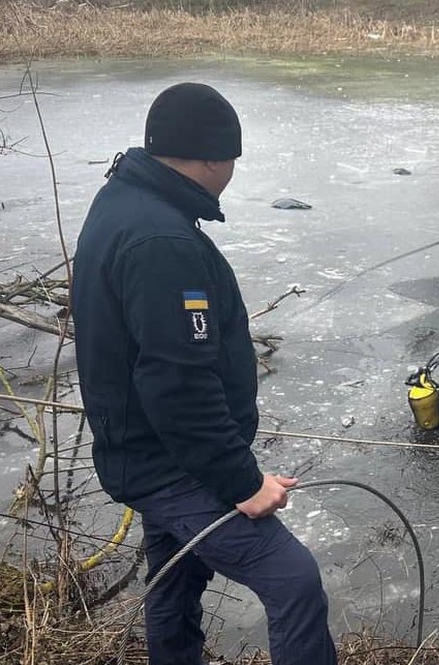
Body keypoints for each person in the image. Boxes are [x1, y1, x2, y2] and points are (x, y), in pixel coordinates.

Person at [71, 83, 337, 665]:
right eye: (233, 159)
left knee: (175, 577)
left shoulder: (125, 202)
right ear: (216, 156)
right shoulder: (161, 239)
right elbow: (178, 384)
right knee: (291, 579)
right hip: (170, 463)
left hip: (144, 450)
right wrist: (243, 482)